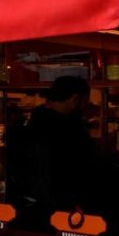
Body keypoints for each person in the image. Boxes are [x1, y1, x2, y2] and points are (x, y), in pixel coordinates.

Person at [12, 76, 96, 216]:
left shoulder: (31, 123)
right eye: (84, 102)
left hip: (28, 204)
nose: (84, 108)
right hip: (61, 208)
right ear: (75, 99)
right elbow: (81, 172)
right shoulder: (72, 131)